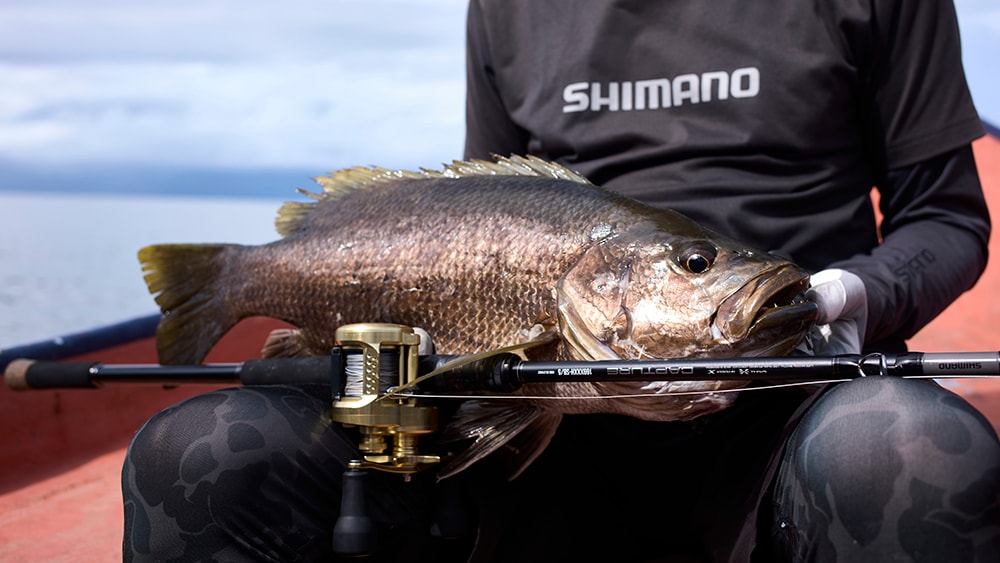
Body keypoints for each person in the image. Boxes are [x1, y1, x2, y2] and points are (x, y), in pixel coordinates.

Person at [122, 1, 1000, 561]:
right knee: (194, 450)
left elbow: (949, 218)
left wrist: (849, 298)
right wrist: (439, 341)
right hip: (534, 427)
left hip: (787, 402)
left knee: (907, 450)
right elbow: (473, 209)